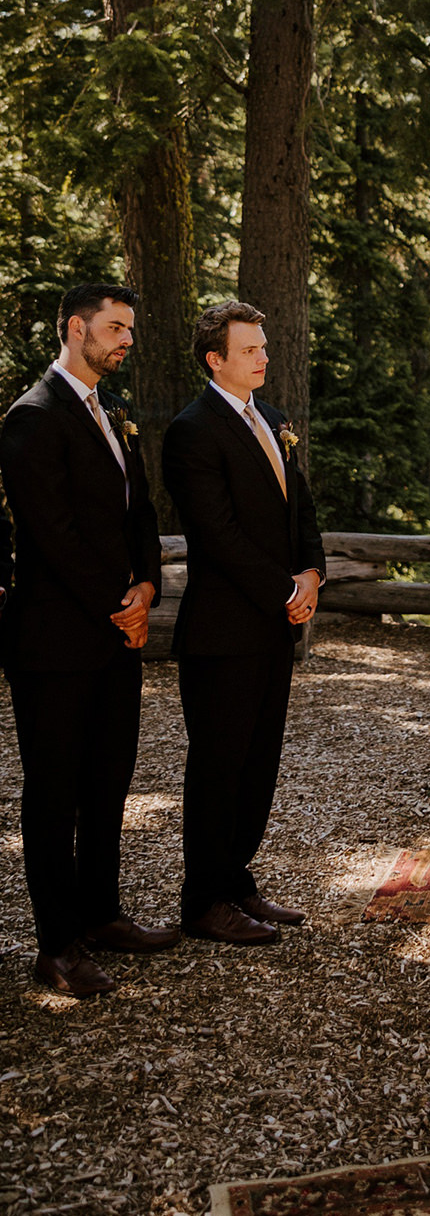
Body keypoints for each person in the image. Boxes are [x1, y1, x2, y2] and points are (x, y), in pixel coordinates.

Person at [0, 284, 173, 997]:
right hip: (54, 640)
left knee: (109, 782)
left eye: (129, 327)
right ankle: (57, 945)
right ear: (75, 329)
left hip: (114, 635)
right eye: (114, 328)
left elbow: (140, 513)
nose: (125, 339)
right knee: (55, 793)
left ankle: (103, 916)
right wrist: (117, 603)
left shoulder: (114, 414)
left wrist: (149, 588)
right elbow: (52, 535)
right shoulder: (32, 417)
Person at [163, 301, 325, 945]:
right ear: (215, 360)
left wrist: (311, 573)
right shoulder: (192, 430)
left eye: (263, 345)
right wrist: (283, 587)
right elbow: (217, 533)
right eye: (251, 349)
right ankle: (202, 900)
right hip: (223, 631)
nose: (264, 356)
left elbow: (302, 509)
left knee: (258, 763)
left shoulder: (275, 420)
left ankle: (235, 880)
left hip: (272, 625)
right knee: (219, 765)